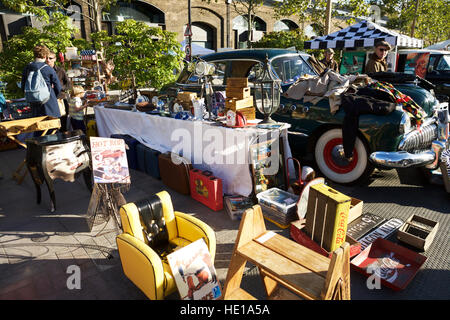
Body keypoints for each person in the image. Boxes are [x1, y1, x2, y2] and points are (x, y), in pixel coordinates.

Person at [21, 44, 62, 118]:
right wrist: (53, 96)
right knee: (52, 127)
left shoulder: (27, 68)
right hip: (49, 104)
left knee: (37, 126)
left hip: (34, 104)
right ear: (45, 55)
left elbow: (23, 86)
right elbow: (58, 87)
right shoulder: (48, 69)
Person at [46, 51, 71, 131]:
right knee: (51, 123)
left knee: (63, 122)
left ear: (55, 59)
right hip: (48, 100)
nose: (48, 60)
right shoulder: (42, 71)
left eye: (50, 58)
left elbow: (69, 85)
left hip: (60, 99)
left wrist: (58, 87)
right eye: (46, 58)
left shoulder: (60, 70)